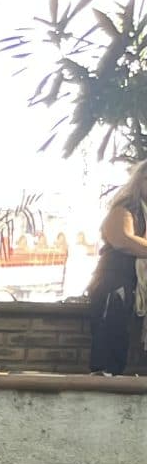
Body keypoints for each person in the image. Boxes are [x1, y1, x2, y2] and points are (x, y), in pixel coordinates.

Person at [88, 159, 147, 375]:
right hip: (115, 281)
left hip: (135, 288)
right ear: (139, 181)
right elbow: (122, 239)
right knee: (109, 351)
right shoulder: (126, 208)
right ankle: (104, 377)